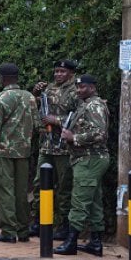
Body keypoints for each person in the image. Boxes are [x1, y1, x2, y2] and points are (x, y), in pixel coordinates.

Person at [0, 63, 40, 243]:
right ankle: (23, 230)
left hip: (4, 152)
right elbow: (37, 125)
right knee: (21, 192)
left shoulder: (0, 99)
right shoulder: (29, 97)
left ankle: (8, 231)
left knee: (5, 191)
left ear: (2, 78)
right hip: (23, 152)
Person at [53, 74, 110, 256]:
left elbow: (100, 133)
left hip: (90, 159)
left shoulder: (94, 105)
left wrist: (74, 138)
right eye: (77, 87)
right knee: (93, 201)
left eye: (83, 87)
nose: (79, 90)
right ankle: (95, 242)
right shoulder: (84, 104)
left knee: (79, 200)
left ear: (92, 87)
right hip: (85, 158)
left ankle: (71, 242)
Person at [29, 59, 80, 240]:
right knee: (39, 185)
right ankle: (40, 221)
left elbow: (81, 116)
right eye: (56, 71)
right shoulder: (49, 89)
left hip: (64, 148)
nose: (58, 74)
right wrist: (35, 94)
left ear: (71, 73)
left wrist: (56, 120)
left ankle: (64, 226)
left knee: (64, 188)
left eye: (62, 71)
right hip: (47, 145)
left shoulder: (76, 91)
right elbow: (37, 108)